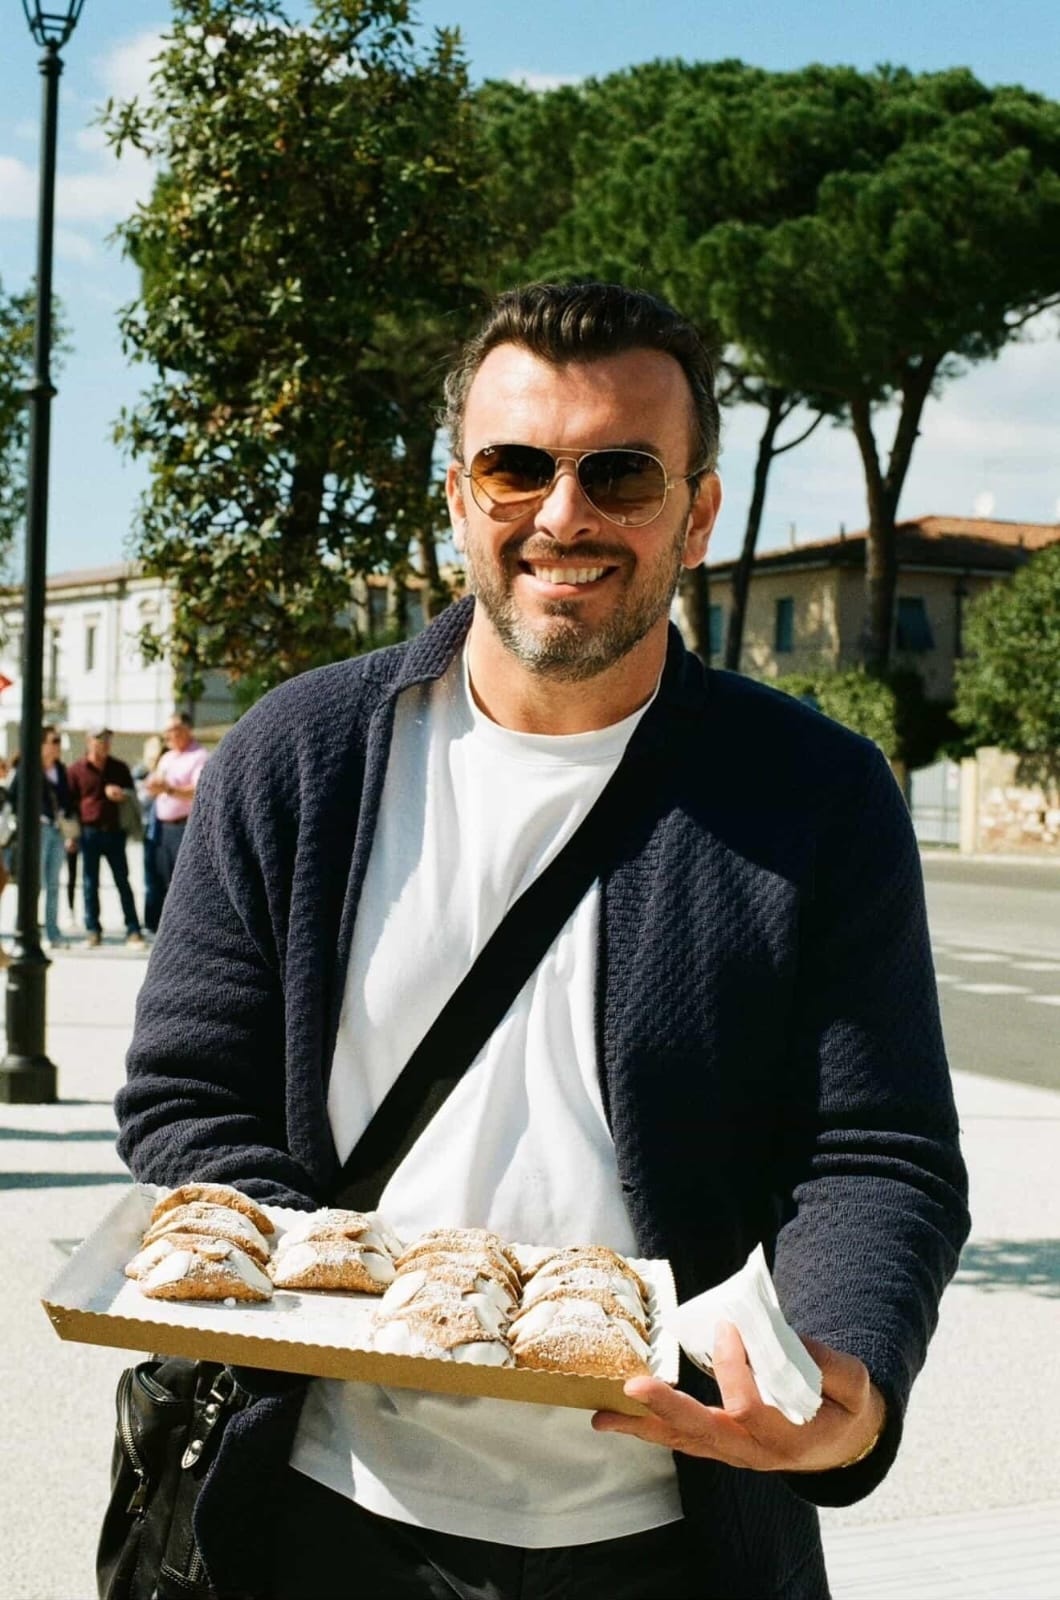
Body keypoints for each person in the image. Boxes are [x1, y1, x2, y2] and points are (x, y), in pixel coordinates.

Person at [115, 281, 970, 1600]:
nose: (563, 515)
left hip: (672, 1536)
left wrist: (847, 1370)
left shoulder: (814, 793)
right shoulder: (297, 759)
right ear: (460, 495)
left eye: (619, 472)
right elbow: (189, 1095)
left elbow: (877, 1149)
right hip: (317, 1512)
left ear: (696, 513)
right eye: (518, 467)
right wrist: (351, 1302)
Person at [67, 728, 144, 948]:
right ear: (89, 742)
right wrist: (71, 835)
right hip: (89, 833)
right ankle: (93, 930)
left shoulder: (119, 768)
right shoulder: (76, 770)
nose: (104, 745)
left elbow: (134, 798)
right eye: (100, 741)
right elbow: (70, 805)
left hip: (114, 832)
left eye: (108, 741)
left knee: (123, 881)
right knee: (90, 884)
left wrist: (122, 795)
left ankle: (133, 929)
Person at [7, 725, 75, 947]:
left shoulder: (60, 770)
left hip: (57, 831)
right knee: (34, 883)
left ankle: (53, 933)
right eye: (54, 741)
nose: (57, 746)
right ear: (42, 744)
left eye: (58, 741)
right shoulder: (28, 768)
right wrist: (26, 821)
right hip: (37, 831)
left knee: (54, 884)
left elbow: (68, 800)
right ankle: (25, 928)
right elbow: (12, 797)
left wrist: (70, 828)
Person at [142, 712, 208, 917]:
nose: (169, 735)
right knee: (159, 879)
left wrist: (169, 789)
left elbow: (198, 791)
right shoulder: (168, 757)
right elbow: (156, 784)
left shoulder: (199, 756)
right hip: (161, 827)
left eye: (173, 730)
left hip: (184, 827)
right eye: (167, 731)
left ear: (187, 729)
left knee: (182, 881)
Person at [132, 734, 165, 933]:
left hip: (168, 828)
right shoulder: (140, 773)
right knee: (151, 880)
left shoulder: (168, 770)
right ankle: (151, 922)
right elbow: (139, 802)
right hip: (150, 830)